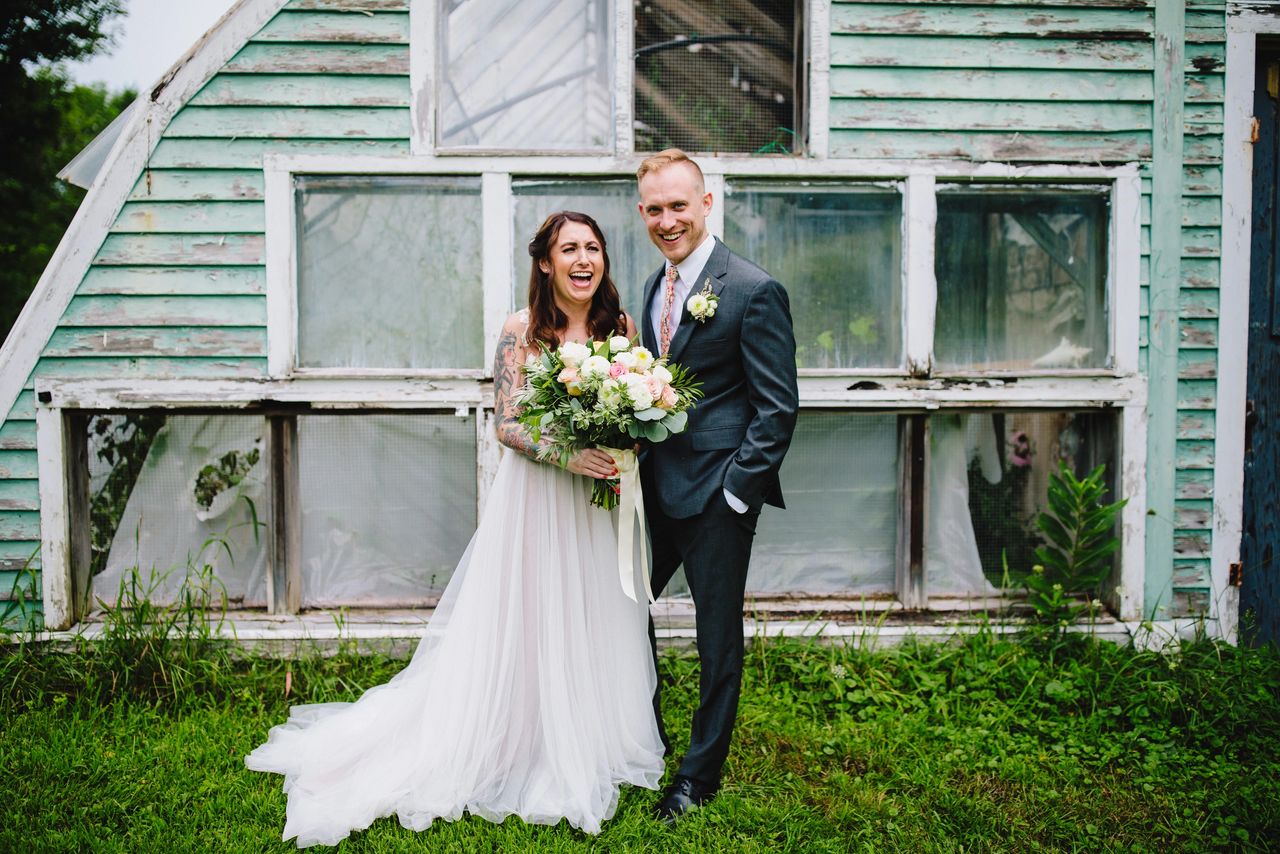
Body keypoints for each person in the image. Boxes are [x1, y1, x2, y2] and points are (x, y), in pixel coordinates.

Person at [246, 211, 665, 847]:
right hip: (541, 494)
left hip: (596, 499)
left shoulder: (622, 326)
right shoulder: (521, 330)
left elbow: (631, 404)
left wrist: (619, 436)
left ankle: (588, 731)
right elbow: (506, 424)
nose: (584, 259)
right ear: (545, 263)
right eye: (569, 249)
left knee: (591, 613)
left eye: (594, 247)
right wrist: (569, 453)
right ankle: (516, 735)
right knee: (528, 615)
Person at [635, 149, 799, 823]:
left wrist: (737, 491)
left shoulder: (752, 289)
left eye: (679, 205)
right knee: (620, 612)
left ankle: (697, 779)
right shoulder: (653, 285)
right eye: (655, 209)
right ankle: (642, 741)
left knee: (716, 641)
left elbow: (777, 406)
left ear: (707, 204)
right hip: (652, 490)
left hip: (716, 498)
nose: (668, 220)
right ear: (642, 213)